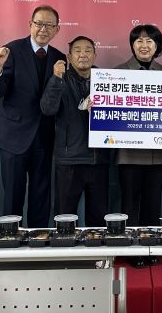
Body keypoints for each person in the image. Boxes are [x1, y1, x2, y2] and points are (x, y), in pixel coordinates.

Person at [0, 5, 66, 228]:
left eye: (49, 25)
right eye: (39, 23)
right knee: (13, 195)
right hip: (13, 136)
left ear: (57, 29)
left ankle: (38, 237)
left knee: (41, 195)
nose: (43, 29)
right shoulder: (11, 50)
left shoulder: (59, 58)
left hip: (44, 136)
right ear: (30, 24)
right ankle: (10, 238)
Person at [40, 36, 109, 226]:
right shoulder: (60, 79)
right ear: (69, 57)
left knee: (98, 219)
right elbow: (47, 109)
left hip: (98, 160)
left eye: (88, 50)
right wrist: (56, 78)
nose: (83, 55)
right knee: (65, 217)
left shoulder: (108, 81)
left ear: (95, 55)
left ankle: (97, 247)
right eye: (77, 51)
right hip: (69, 160)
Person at [114, 24, 162, 227]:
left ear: (157, 45)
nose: (144, 45)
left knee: (153, 204)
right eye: (139, 40)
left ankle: (150, 243)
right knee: (129, 204)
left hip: (158, 153)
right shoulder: (117, 73)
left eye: (149, 40)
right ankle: (129, 244)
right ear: (132, 45)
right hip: (128, 152)